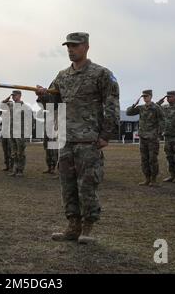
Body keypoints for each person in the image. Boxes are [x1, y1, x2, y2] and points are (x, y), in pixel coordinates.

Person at [36, 32, 120, 244]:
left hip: (88, 141)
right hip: (65, 140)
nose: (70, 50)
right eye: (68, 46)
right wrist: (42, 95)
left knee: (87, 185)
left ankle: (88, 228)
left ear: (86, 46)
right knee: (68, 186)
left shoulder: (101, 74)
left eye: (74, 46)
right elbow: (52, 104)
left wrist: (106, 135)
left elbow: (112, 106)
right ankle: (73, 226)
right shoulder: (62, 76)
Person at [127, 90, 165, 186]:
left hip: (152, 137)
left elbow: (162, 120)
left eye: (146, 96)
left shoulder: (156, 108)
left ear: (151, 96)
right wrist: (134, 104)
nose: (145, 98)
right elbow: (129, 113)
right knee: (144, 159)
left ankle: (154, 179)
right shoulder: (141, 108)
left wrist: (159, 133)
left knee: (152, 159)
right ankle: (147, 179)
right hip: (143, 137)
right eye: (143, 96)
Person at [2, 90, 33, 177]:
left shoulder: (25, 107)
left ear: (20, 95)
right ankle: (14, 169)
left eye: (15, 95)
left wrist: (28, 132)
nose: (13, 97)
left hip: (20, 133)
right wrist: (6, 99)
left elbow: (30, 121)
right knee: (13, 153)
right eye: (12, 96)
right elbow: (2, 105)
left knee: (20, 153)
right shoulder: (11, 106)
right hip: (12, 133)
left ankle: (20, 170)